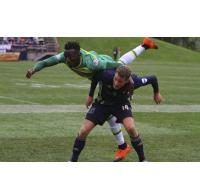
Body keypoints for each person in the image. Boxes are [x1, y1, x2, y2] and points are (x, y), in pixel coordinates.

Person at [26, 38, 158, 161]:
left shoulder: (93, 64)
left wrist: (130, 80)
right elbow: (46, 62)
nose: (67, 60)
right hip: (99, 77)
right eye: (66, 56)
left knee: (121, 66)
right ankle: (122, 147)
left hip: (105, 66)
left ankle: (123, 147)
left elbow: (115, 65)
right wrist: (34, 70)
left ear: (78, 55)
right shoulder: (66, 56)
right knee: (108, 112)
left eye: (70, 57)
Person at [70, 66, 162, 162]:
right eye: (115, 79)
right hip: (102, 104)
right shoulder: (106, 75)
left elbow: (153, 78)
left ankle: (142, 160)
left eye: (120, 81)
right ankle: (73, 161)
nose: (116, 83)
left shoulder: (134, 82)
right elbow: (96, 76)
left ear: (126, 81)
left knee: (131, 128)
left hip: (120, 105)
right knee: (83, 131)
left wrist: (156, 93)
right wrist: (90, 95)